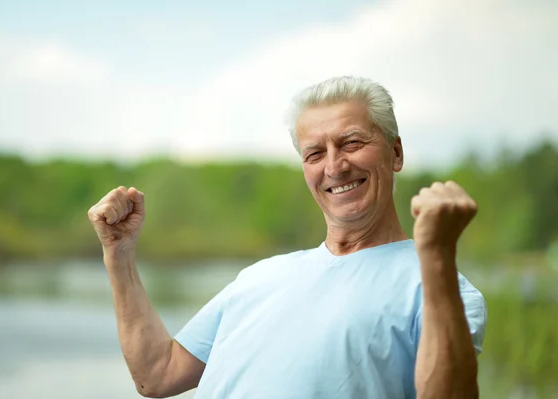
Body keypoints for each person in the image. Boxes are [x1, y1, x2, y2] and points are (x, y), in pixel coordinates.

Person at [88, 76, 487, 399]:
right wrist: (119, 257)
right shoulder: (260, 277)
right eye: (315, 153)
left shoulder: (442, 289)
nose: (335, 166)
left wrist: (437, 255)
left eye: (352, 143)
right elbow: (157, 374)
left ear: (395, 153)